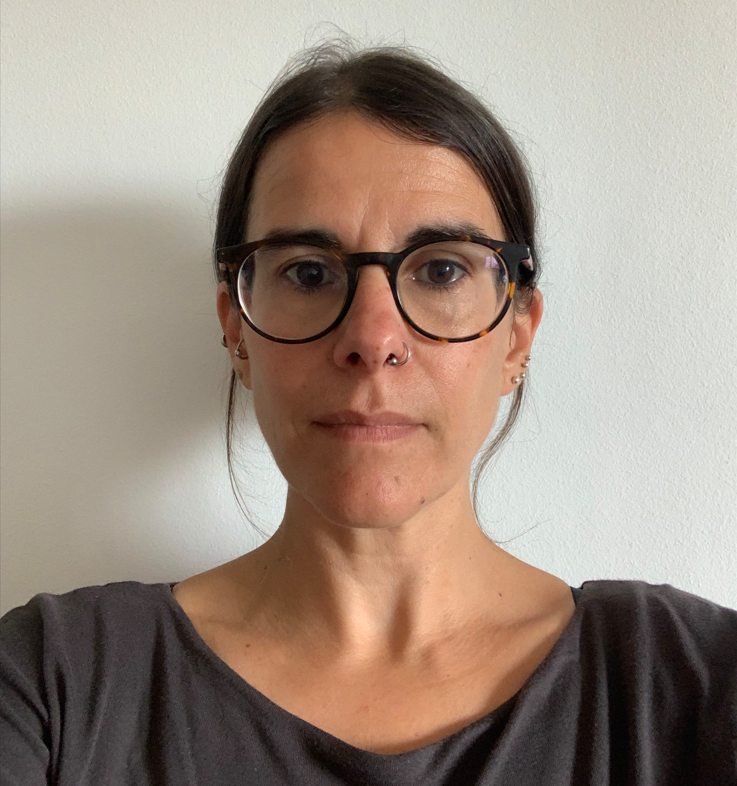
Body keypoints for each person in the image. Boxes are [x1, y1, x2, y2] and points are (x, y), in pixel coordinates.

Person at [1, 42, 735, 786]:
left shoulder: (695, 678)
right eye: (308, 273)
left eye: (441, 269)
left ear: (517, 336)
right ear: (236, 330)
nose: (373, 339)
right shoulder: (54, 682)